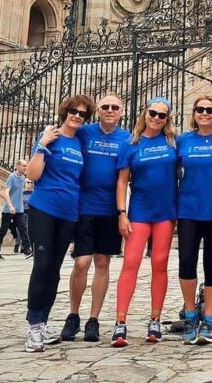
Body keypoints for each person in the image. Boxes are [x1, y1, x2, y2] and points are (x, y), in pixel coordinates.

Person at [24, 94, 95, 353]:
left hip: (69, 213)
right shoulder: (50, 138)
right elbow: (32, 175)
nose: (77, 116)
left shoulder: (80, 144)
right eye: (74, 111)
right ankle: (33, 324)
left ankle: (42, 322)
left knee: (54, 268)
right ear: (65, 111)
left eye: (83, 114)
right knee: (42, 265)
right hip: (44, 208)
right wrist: (42, 144)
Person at [61, 94, 130, 344]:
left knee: (102, 263)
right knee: (81, 262)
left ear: (121, 111)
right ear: (98, 110)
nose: (110, 110)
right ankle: (73, 314)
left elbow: (125, 176)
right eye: (105, 107)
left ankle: (93, 319)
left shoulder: (126, 139)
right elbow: (65, 134)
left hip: (109, 209)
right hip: (84, 207)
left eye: (115, 107)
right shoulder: (84, 132)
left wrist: (123, 212)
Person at [111, 96, 177, 348]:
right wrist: (121, 212)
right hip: (139, 211)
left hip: (166, 212)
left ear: (167, 118)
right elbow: (122, 182)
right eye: (153, 113)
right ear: (145, 113)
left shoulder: (172, 142)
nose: (157, 118)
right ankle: (120, 322)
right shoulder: (131, 144)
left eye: (162, 115)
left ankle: (155, 319)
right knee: (131, 263)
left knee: (160, 263)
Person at [177, 94, 212, 345]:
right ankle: (190, 315)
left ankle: (208, 319)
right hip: (189, 210)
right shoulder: (183, 141)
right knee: (186, 262)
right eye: (200, 109)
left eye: (210, 110)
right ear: (194, 114)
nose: (205, 113)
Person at [0, 160, 31, 259]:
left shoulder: (23, 178)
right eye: (23, 166)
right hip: (8, 209)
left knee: (23, 229)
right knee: (3, 230)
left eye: (26, 166)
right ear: (18, 166)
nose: (25, 168)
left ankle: (27, 250)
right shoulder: (11, 177)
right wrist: (10, 206)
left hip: (19, 209)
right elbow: (5, 192)